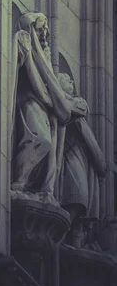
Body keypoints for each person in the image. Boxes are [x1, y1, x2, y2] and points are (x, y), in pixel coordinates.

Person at [11, 12, 71, 199]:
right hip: (27, 101)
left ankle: (32, 185)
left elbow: (49, 84)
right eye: (40, 28)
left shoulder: (43, 55)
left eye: (45, 29)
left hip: (44, 107)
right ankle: (19, 182)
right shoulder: (23, 42)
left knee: (47, 147)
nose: (44, 33)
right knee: (41, 140)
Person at [57, 73, 107, 247]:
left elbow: (74, 108)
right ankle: (60, 240)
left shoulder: (79, 102)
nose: (70, 79)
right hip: (69, 157)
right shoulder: (60, 99)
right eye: (64, 77)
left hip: (81, 159)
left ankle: (71, 242)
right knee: (76, 199)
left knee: (80, 204)